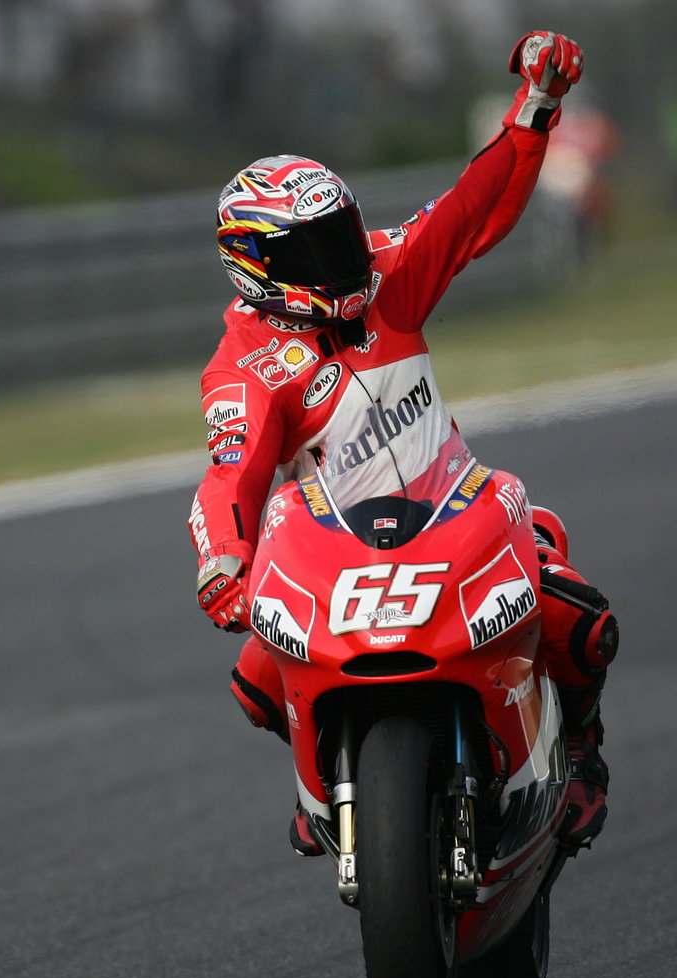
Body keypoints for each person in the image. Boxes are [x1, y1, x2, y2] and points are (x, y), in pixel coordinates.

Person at [187, 31, 618, 856]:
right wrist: (224, 562)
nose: (348, 255)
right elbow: (230, 474)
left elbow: (473, 208)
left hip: (454, 515)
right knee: (254, 679)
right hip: (336, 557)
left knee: (581, 618)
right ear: (255, 267)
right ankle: (342, 783)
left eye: (344, 231)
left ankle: (584, 755)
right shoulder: (246, 366)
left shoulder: (388, 276)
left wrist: (536, 109)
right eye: (318, 249)